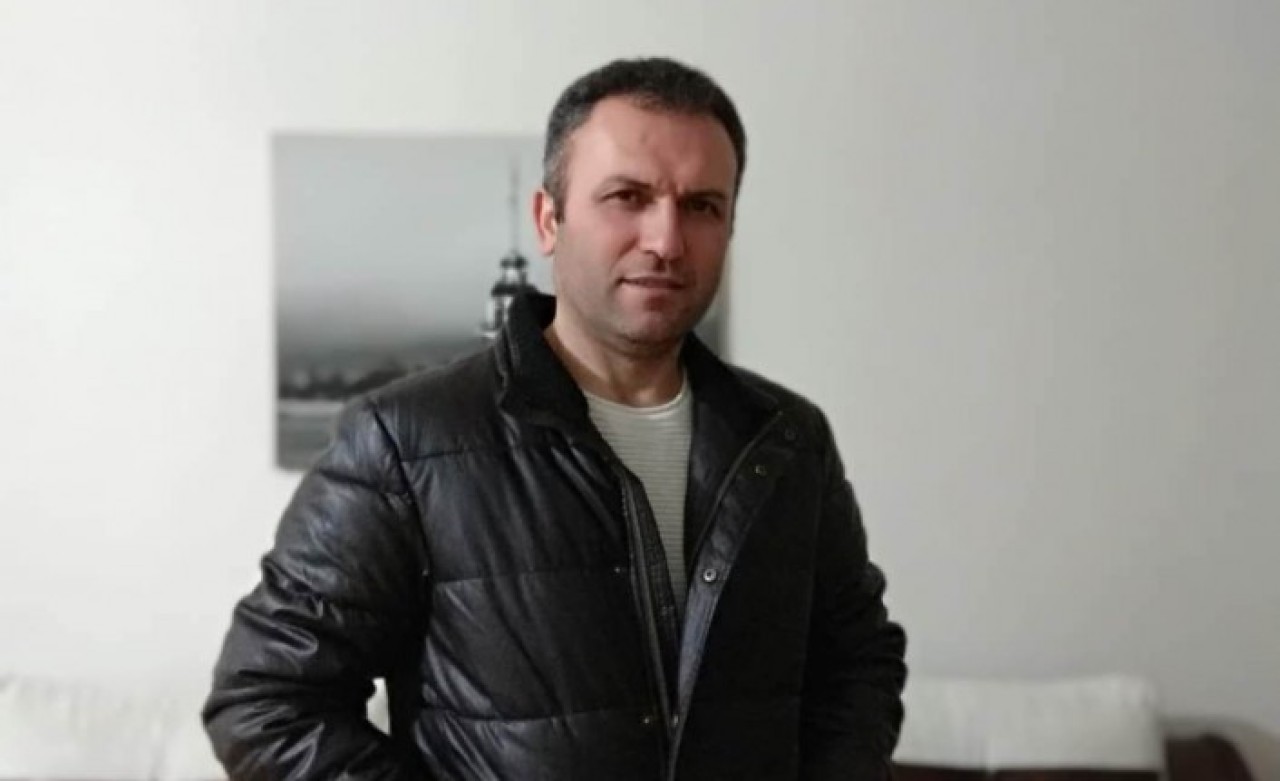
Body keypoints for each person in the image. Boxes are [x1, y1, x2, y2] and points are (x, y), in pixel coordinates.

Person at [203, 56, 907, 780]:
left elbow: (857, 660)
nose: (666, 240)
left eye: (702, 206)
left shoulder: (788, 440)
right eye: (628, 197)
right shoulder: (405, 442)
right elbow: (265, 702)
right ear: (549, 219)